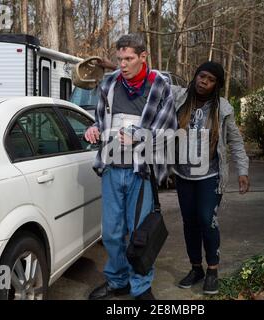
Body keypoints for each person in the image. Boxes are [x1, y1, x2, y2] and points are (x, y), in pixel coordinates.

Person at [84, 33, 177, 300]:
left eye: (129, 58)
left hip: (141, 172)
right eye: (119, 58)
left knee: (139, 235)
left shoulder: (159, 86)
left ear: (143, 57)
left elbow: (170, 131)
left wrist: (140, 136)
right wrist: (93, 129)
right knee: (112, 234)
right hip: (112, 169)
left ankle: (141, 287)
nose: (123, 64)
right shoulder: (109, 84)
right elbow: (100, 121)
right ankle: (117, 282)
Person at [171, 61, 250, 295]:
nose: (203, 81)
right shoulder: (180, 99)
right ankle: (196, 268)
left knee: (207, 219)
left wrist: (242, 170)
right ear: (195, 76)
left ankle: (212, 270)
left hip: (210, 175)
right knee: (190, 222)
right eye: (201, 76)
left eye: (210, 79)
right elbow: (150, 82)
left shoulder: (223, 109)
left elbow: (235, 141)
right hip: (183, 174)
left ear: (216, 84)